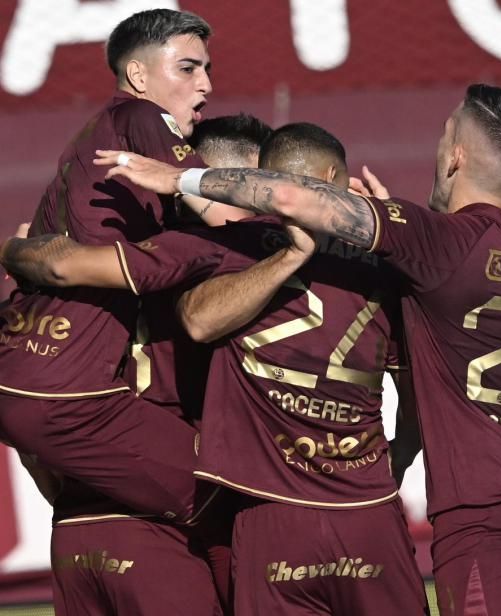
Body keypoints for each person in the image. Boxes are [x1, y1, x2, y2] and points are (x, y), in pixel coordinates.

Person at [94, 83, 501, 616]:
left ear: (455, 158)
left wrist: (178, 178)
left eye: (445, 136)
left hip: (487, 516)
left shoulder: (438, 241)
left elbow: (290, 198)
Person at [3, 122, 429, 615]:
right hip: (198, 528)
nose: (260, 205)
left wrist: (16, 252)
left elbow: (36, 395)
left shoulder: (145, 265)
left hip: (82, 526)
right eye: (245, 189)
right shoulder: (244, 253)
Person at [0, 8, 241, 524]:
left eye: (207, 69)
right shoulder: (142, 117)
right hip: (64, 387)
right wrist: (315, 213)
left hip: (23, 364)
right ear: (138, 75)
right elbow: (229, 218)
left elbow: (33, 248)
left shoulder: (87, 146)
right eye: (188, 68)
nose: (205, 85)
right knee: (233, 500)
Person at [39, 114, 274, 616]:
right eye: (259, 189)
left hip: (77, 527)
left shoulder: (93, 273)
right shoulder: (234, 271)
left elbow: (33, 409)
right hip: (174, 526)